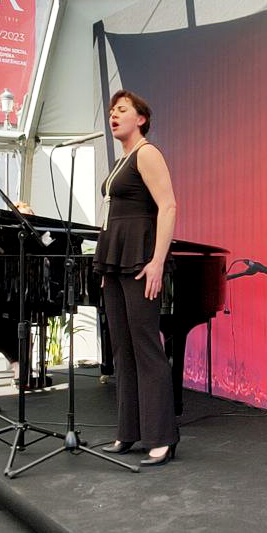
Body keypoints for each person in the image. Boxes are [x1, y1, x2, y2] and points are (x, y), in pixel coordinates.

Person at [94, 90, 180, 467]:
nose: (114, 115)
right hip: (116, 262)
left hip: (140, 260)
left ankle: (162, 436)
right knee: (121, 348)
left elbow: (168, 206)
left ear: (141, 118)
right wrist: (107, 268)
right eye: (112, 111)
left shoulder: (147, 153)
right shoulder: (121, 160)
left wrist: (158, 261)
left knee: (145, 346)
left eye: (122, 110)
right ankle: (128, 432)